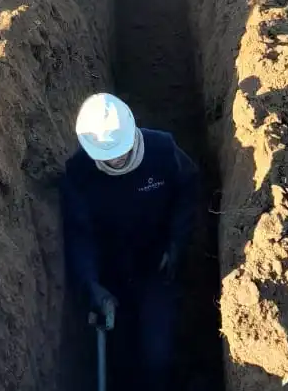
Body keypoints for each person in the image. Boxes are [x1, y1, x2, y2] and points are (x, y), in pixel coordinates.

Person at [61, 92, 198, 391]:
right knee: (121, 357)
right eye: (108, 156)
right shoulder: (80, 174)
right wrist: (91, 284)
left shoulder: (163, 150)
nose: (117, 159)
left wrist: (176, 244)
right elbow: (78, 234)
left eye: (120, 152)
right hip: (112, 274)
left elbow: (188, 189)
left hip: (156, 267)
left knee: (157, 355)